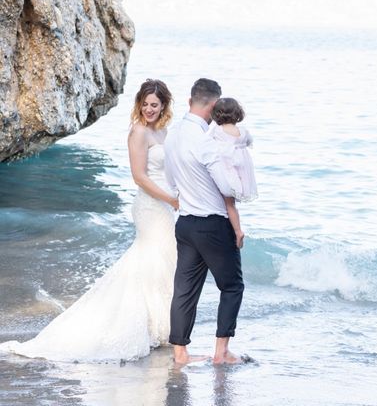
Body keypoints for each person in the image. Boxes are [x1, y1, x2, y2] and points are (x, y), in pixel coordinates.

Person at [0, 79, 179, 362]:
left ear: (164, 105)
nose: (148, 109)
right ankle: (150, 327)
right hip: (150, 205)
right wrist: (171, 199)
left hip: (166, 205)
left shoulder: (165, 132)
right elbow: (139, 177)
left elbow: (171, 169)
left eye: (154, 105)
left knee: (164, 261)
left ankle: (161, 325)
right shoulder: (138, 132)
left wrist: (180, 192)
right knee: (151, 258)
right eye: (144, 104)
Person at [164, 78, 245, 365]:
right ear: (213, 106)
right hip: (212, 224)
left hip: (185, 224)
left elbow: (171, 181)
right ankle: (221, 352)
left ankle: (180, 353)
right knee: (232, 286)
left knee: (184, 290)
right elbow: (227, 187)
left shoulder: (172, 135)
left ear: (190, 101)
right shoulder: (208, 140)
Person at [207, 97, 258, 249]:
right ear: (237, 114)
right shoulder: (242, 131)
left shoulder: (217, 131)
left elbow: (205, 144)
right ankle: (235, 228)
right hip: (241, 172)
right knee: (232, 204)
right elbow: (249, 142)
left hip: (227, 170)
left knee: (227, 204)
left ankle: (237, 231)